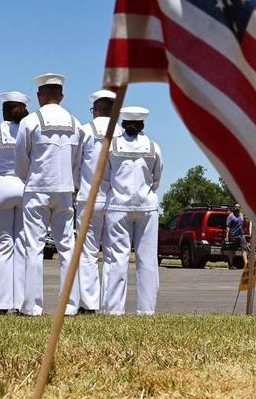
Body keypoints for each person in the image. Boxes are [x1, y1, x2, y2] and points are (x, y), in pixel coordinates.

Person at [16, 73, 82, 317]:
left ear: (39, 96)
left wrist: (29, 179)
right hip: (64, 190)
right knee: (67, 247)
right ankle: (70, 304)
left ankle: (32, 306)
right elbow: (77, 160)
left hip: (37, 188)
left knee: (33, 246)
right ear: (62, 96)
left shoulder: (30, 121)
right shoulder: (76, 123)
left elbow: (21, 160)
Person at [101, 106, 163, 315]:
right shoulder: (153, 147)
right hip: (147, 206)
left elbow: (104, 178)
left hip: (118, 206)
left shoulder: (110, 147)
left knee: (117, 258)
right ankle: (146, 310)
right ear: (143, 125)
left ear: (123, 123)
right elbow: (156, 180)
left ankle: (114, 310)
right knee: (147, 258)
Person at [74, 89, 121, 314]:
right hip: (114, 199)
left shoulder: (84, 131)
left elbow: (75, 165)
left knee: (87, 252)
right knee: (113, 253)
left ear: (95, 110)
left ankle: (90, 304)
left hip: (88, 197)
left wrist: (80, 185)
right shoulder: (121, 132)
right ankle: (112, 304)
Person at [0, 91, 31, 315]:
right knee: (22, 245)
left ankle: (1, 304)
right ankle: (20, 302)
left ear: (4, 110)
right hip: (24, 187)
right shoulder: (29, 132)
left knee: (3, 245)